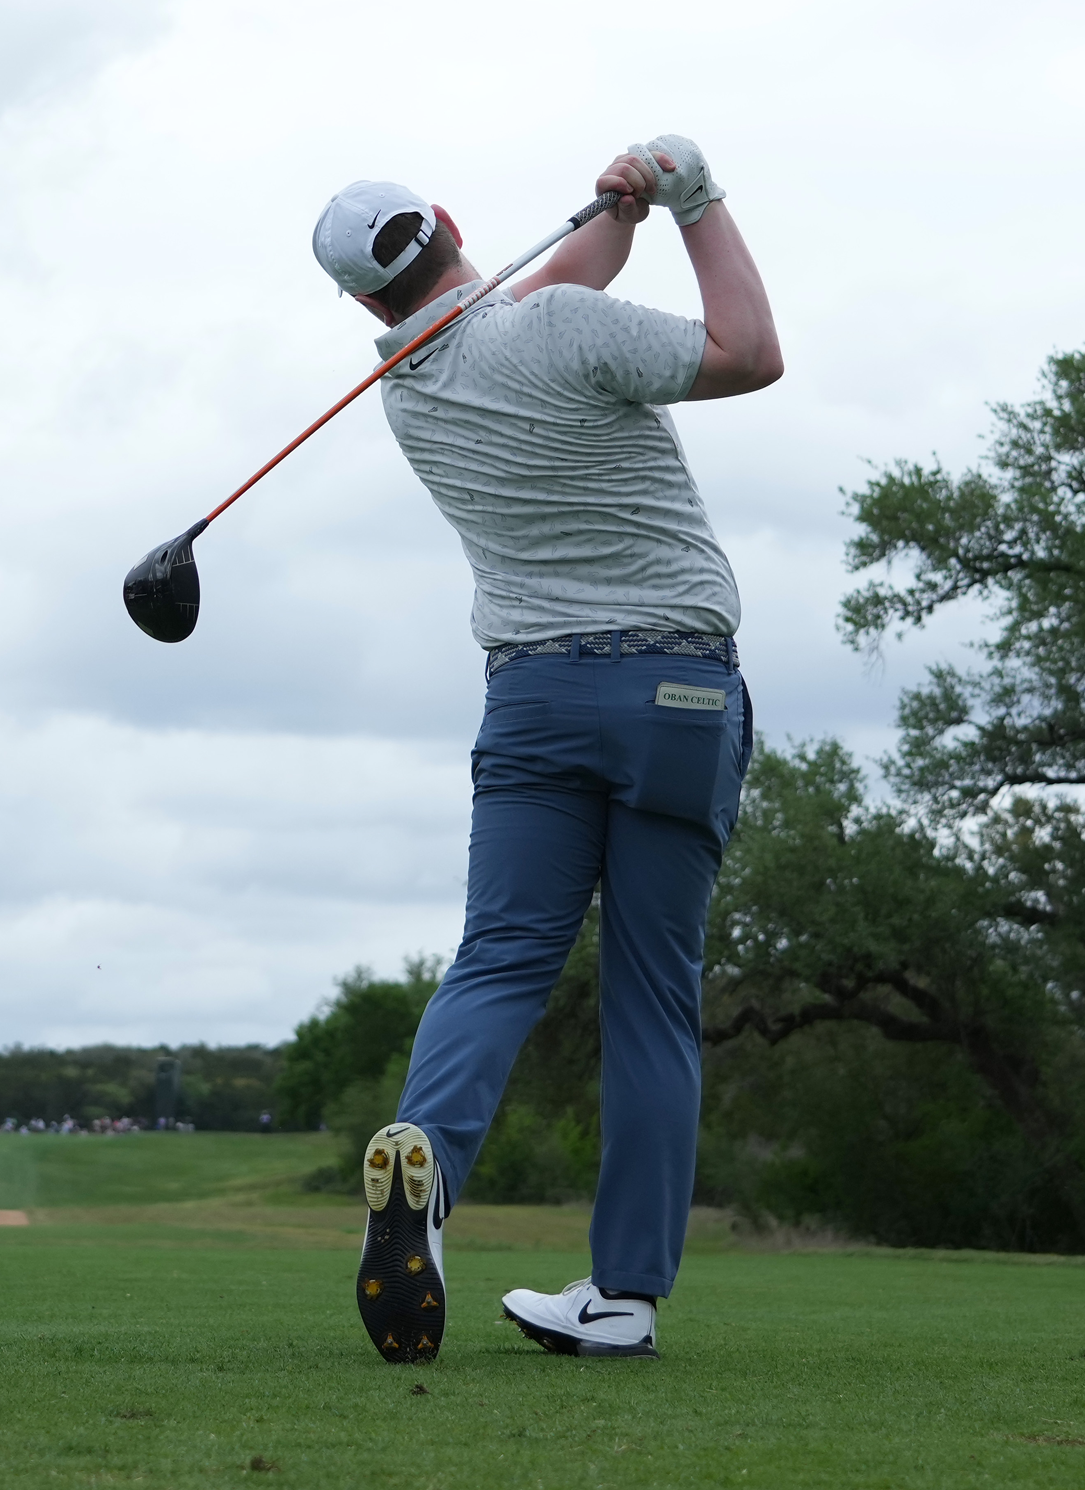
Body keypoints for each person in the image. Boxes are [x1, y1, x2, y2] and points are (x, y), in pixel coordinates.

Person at [310, 136, 779, 1364]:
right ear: (453, 219)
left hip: (531, 704)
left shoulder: (410, 387)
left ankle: (431, 1178)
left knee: (501, 959)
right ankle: (622, 1294)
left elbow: (529, 314)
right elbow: (749, 352)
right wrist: (693, 198)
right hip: (674, 686)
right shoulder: (560, 326)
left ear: (365, 300)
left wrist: (612, 217)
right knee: (651, 999)